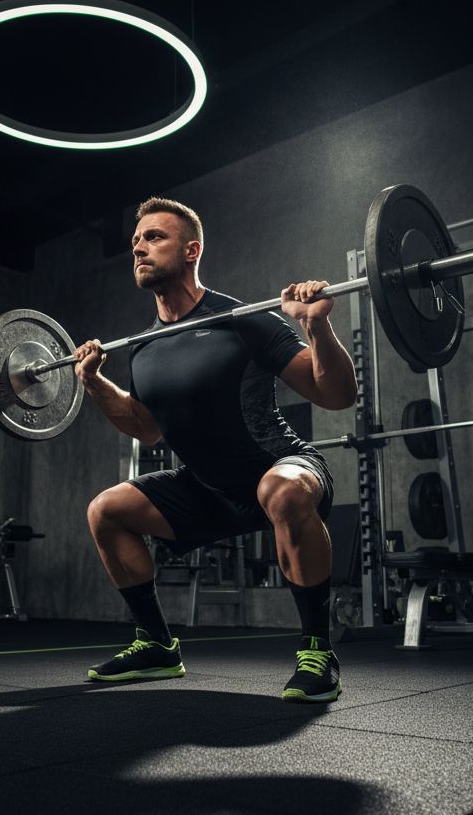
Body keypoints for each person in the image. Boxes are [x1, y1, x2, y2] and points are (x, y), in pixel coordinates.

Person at [75, 197, 357, 703]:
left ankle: (318, 651)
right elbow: (146, 429)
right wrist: (95, 384)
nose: (139, 246)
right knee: (107, 510)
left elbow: (335, 396)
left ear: (191, 250)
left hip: (281, 468)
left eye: (154, 237)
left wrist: (316, 326)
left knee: (281, 490)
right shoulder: (143, 347)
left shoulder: (243, 319)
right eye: (135, 240)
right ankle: (158, 646)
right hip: (208, 488)